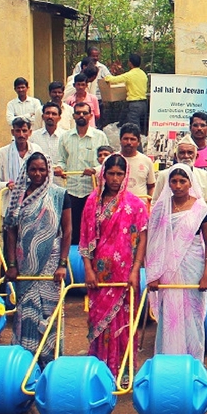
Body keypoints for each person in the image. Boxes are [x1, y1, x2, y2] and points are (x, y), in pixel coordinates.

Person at [79, 154, 148, 374]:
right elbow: (84, 238)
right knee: (99, 322)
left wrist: (136, 270)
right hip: (99, 276)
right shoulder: (92, 202)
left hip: (125, 275)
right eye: (111, 174)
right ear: (103, 175)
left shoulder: (135, 205)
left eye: (120, 174)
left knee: (124, 323)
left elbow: (142, 239)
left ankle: (123, 372)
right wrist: (88, 270)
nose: (115, 179)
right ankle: (100, 371)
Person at [2, 153, 70, 364]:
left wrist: (62, 264)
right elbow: (11, 232)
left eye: (42, 169)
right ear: (27, 171)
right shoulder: (18, 197)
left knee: (50, 313)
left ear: (48, 170)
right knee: (26, 311)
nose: (38, 174)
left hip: (51, 264)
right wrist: (12, 264)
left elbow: (67, 231)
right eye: (34, 169)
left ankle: (50, 363)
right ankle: (25, 364)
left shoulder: (59, 194)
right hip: (25, 266)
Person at [146, 163, 207, 360]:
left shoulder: (201, 210)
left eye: (182, 181)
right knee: (169, 316)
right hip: (166, 270)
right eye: (174, 181)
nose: (177, 185)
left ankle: (193, 364)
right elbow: (153, 242)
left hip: (193, 267)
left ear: (190, 183)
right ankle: (167, 364)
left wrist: (206, 275)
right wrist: (153, 274)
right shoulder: (161, 208)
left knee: (192, 317)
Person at [54, 102, 110, 244]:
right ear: (73, 116)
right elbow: (61, 159)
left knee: (91, 228)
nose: (81, 115)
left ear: (91, 115)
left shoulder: (100, 136)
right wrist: (59, 168)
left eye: (85, 113)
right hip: (71, 190)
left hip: (92, 191)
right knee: (71, 229)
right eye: (78, 113)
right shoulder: (65, 137)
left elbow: (107, 161)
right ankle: (72, 262)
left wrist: (94, 170)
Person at [154, 135, 207, 205]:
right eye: (182, 153)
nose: (186, 156)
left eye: (190, 153)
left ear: (196, 156)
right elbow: (155, 202)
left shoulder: (205, 175)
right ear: (176, 156)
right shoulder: (163, 175)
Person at [0, 117, 40, 194]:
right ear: (12, 132)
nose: (21, 134)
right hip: (9, 201)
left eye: (24, 131)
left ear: (30, 132)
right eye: (18, 131)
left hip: (33, 198)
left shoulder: (36, 150)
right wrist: (7, 185)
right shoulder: (2, 153)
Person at [103, 53, 149, 128]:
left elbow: (114, 80)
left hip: (134, 104)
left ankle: (135, 138)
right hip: (143, 104)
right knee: (130, 121)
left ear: (130, 63)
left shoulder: (129, 75)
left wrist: (106, 77)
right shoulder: (143, 74)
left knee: (133, 126)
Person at [119, 123, 156, 199]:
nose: (129, 142)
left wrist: (149, 206)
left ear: (138, 142)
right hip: (116, 207)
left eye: (132, 139)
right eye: (126, 139)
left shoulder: (146, 161)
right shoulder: (111, 159)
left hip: (140, 208)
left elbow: (151, 186)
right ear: (120, 140)